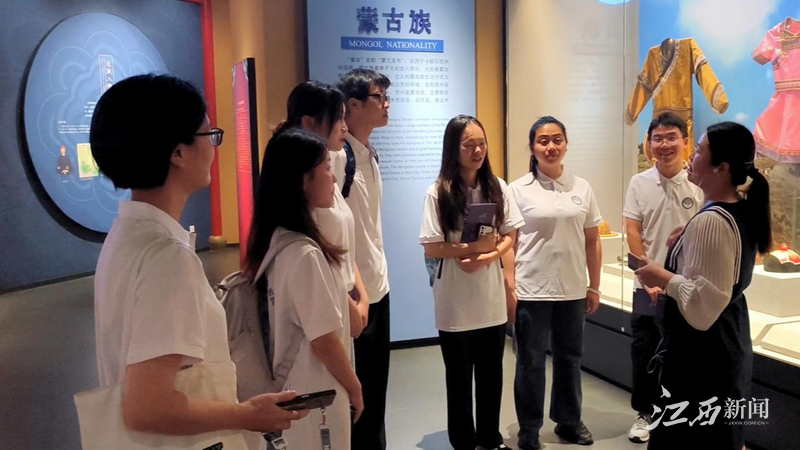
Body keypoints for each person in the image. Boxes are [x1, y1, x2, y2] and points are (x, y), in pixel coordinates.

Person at [89, 74, 305, 448]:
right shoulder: (167, 258)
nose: (213, 147)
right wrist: (248, 414)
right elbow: (148, 408)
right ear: (178, 153)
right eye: (209, 135)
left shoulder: (126, 235)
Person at [635, 122, 771, 450]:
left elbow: (703, 306)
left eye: (698, 151)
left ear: (721, 167)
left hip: (703, 355)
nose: (691, 158)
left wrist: (662, 277)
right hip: (727, 341)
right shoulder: (736, 209)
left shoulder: (712, 220)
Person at [245, 128, 363, 450]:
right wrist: (354, 386)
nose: (333, 178)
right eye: (326, 168)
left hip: (294, 386)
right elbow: (324, 339)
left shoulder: (276, 240)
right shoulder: (304, 254)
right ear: (303, 181)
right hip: (316, 391)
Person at [420, 115, 524, 450]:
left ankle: (490, 439)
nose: (478, 150)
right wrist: (472, 249)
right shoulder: (438, 192)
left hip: (490, 297)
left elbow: (511, 235)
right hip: (454, 300)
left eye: (482, 143)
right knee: (459, 377)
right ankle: (463, 441)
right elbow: (432, 246)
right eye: (469, 145)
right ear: (453, 148)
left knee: (492, 374)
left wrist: (487, 255)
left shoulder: (497, 186)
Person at [509, 116, 602, 449]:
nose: (551, 146)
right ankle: (529, 428)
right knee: (530, 362)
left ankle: (569, 421)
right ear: (532, 147)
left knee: (570, 359)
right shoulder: (517, 189)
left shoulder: (582, 187)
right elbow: (510, 243)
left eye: (557, 139)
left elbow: (592, 240)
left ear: (566, 144)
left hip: (572, 290)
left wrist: (594, 286)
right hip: (531, 290)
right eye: (543, 140)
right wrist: (510, 288)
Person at [623, 113, 703, 444]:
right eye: (658, 138)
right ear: (649, 143)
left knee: (685, 353)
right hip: (646, 285)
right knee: (644, 351)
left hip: (687, 287)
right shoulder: (639, 182)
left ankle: (682, 416)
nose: (664, 144)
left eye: (671, 137)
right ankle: (645, 414)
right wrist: (647, 275)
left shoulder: (698, 183)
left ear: (685, 141)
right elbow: (632, 230)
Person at [278, 80, 370, 340]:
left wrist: (361, 294)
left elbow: (340, 247)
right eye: (337, 118)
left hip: (345, 301)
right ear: (309, 123)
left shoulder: (328, 173)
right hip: (326, 307)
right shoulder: (305, 188)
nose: (344, 127)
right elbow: (317, 262)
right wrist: (349, 304)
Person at [335, 68, 392, 450]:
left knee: (376, 386)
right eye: (378, 97)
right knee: (358, 390)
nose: (386, 104)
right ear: (353, 105)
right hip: (355, 291)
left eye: (387, 97)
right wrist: (351, 290)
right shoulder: (339, 158)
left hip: (378, 282)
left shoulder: (369, 153)